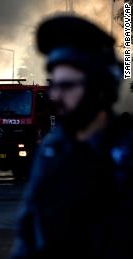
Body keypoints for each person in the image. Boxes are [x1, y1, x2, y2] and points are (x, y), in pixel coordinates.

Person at [10, 15, 133, 259]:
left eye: (66, 86)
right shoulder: (52, 149)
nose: (55, 96)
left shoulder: (126, 154)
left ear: (100, 88)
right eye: (54, 85)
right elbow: (29, 236)